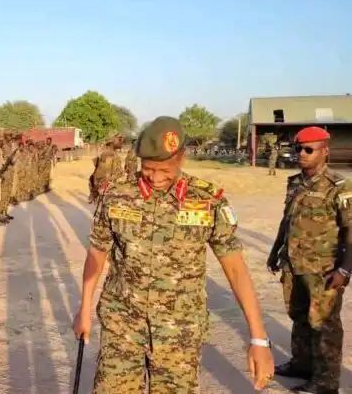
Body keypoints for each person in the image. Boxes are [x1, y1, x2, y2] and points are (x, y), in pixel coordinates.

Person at [73, 116, 274, 393]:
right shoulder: (116, 195)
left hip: (179, 333)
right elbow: (97, 251)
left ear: (181, 158)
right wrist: (84, 309)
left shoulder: (207, 201)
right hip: (122, 325)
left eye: (165, 169)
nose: (156, 178)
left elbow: (236, 269)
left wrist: (259, 339)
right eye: (148, 168)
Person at [267, 126, 350, 394]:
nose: (301, 154)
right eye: (298, 148)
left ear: (324, 151)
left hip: (323, 269)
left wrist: (345, 270)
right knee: (299, 316)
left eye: (308, 149)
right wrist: (275, 251)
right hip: (293, 264)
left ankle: (326, 382)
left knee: (323, 323)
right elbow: (287, 220)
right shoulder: (295, 182)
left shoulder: (340, 187)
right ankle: (301, 364)